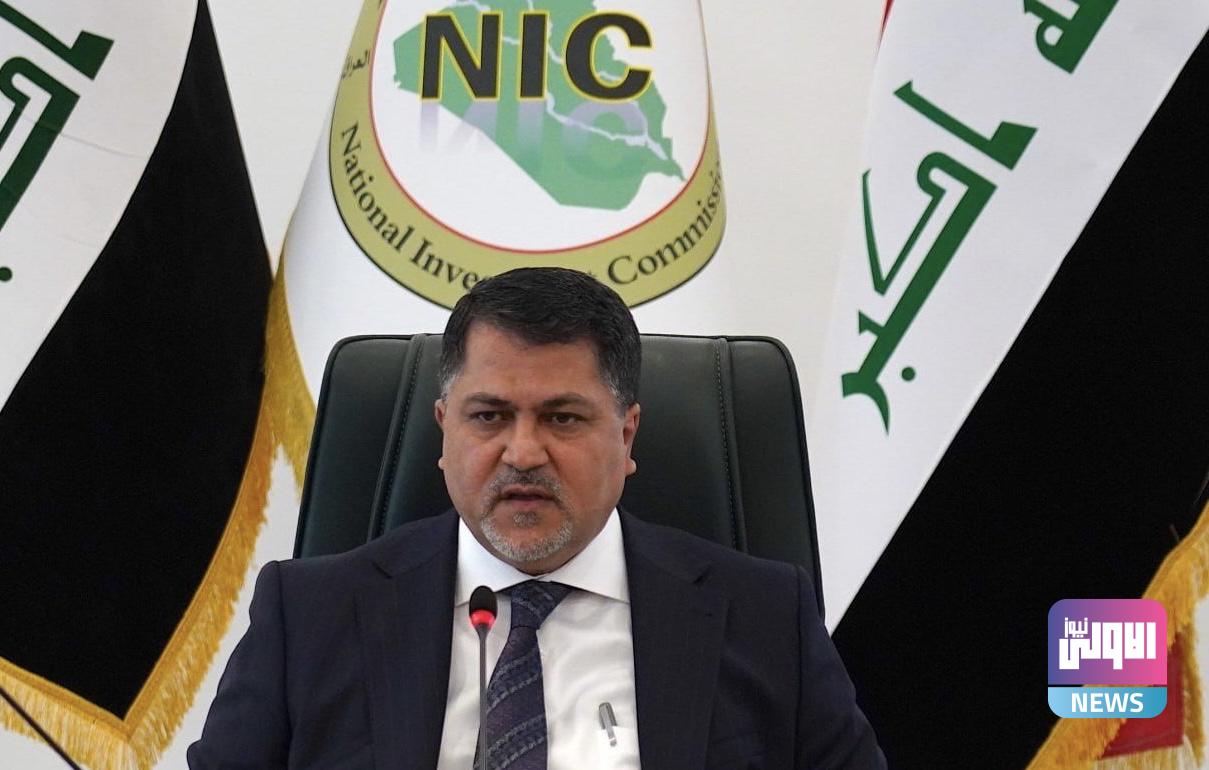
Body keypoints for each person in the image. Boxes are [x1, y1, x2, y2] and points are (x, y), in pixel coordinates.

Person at [188, 267, 885, 769]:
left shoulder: (765, 617)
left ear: (626, 436)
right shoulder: (308, 615)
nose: (522, 453)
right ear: (444, 430)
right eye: (489, 416)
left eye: (563, 418)